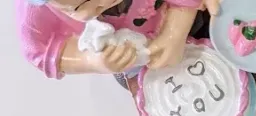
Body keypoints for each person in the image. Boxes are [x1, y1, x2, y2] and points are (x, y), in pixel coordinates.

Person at [17, 0, 202, 78]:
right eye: (76, 7)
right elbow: (39, 51)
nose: (101, 4)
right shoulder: (35, 14)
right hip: (130, 61)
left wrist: (175, 32)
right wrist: (91, 61)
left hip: (174, 20)